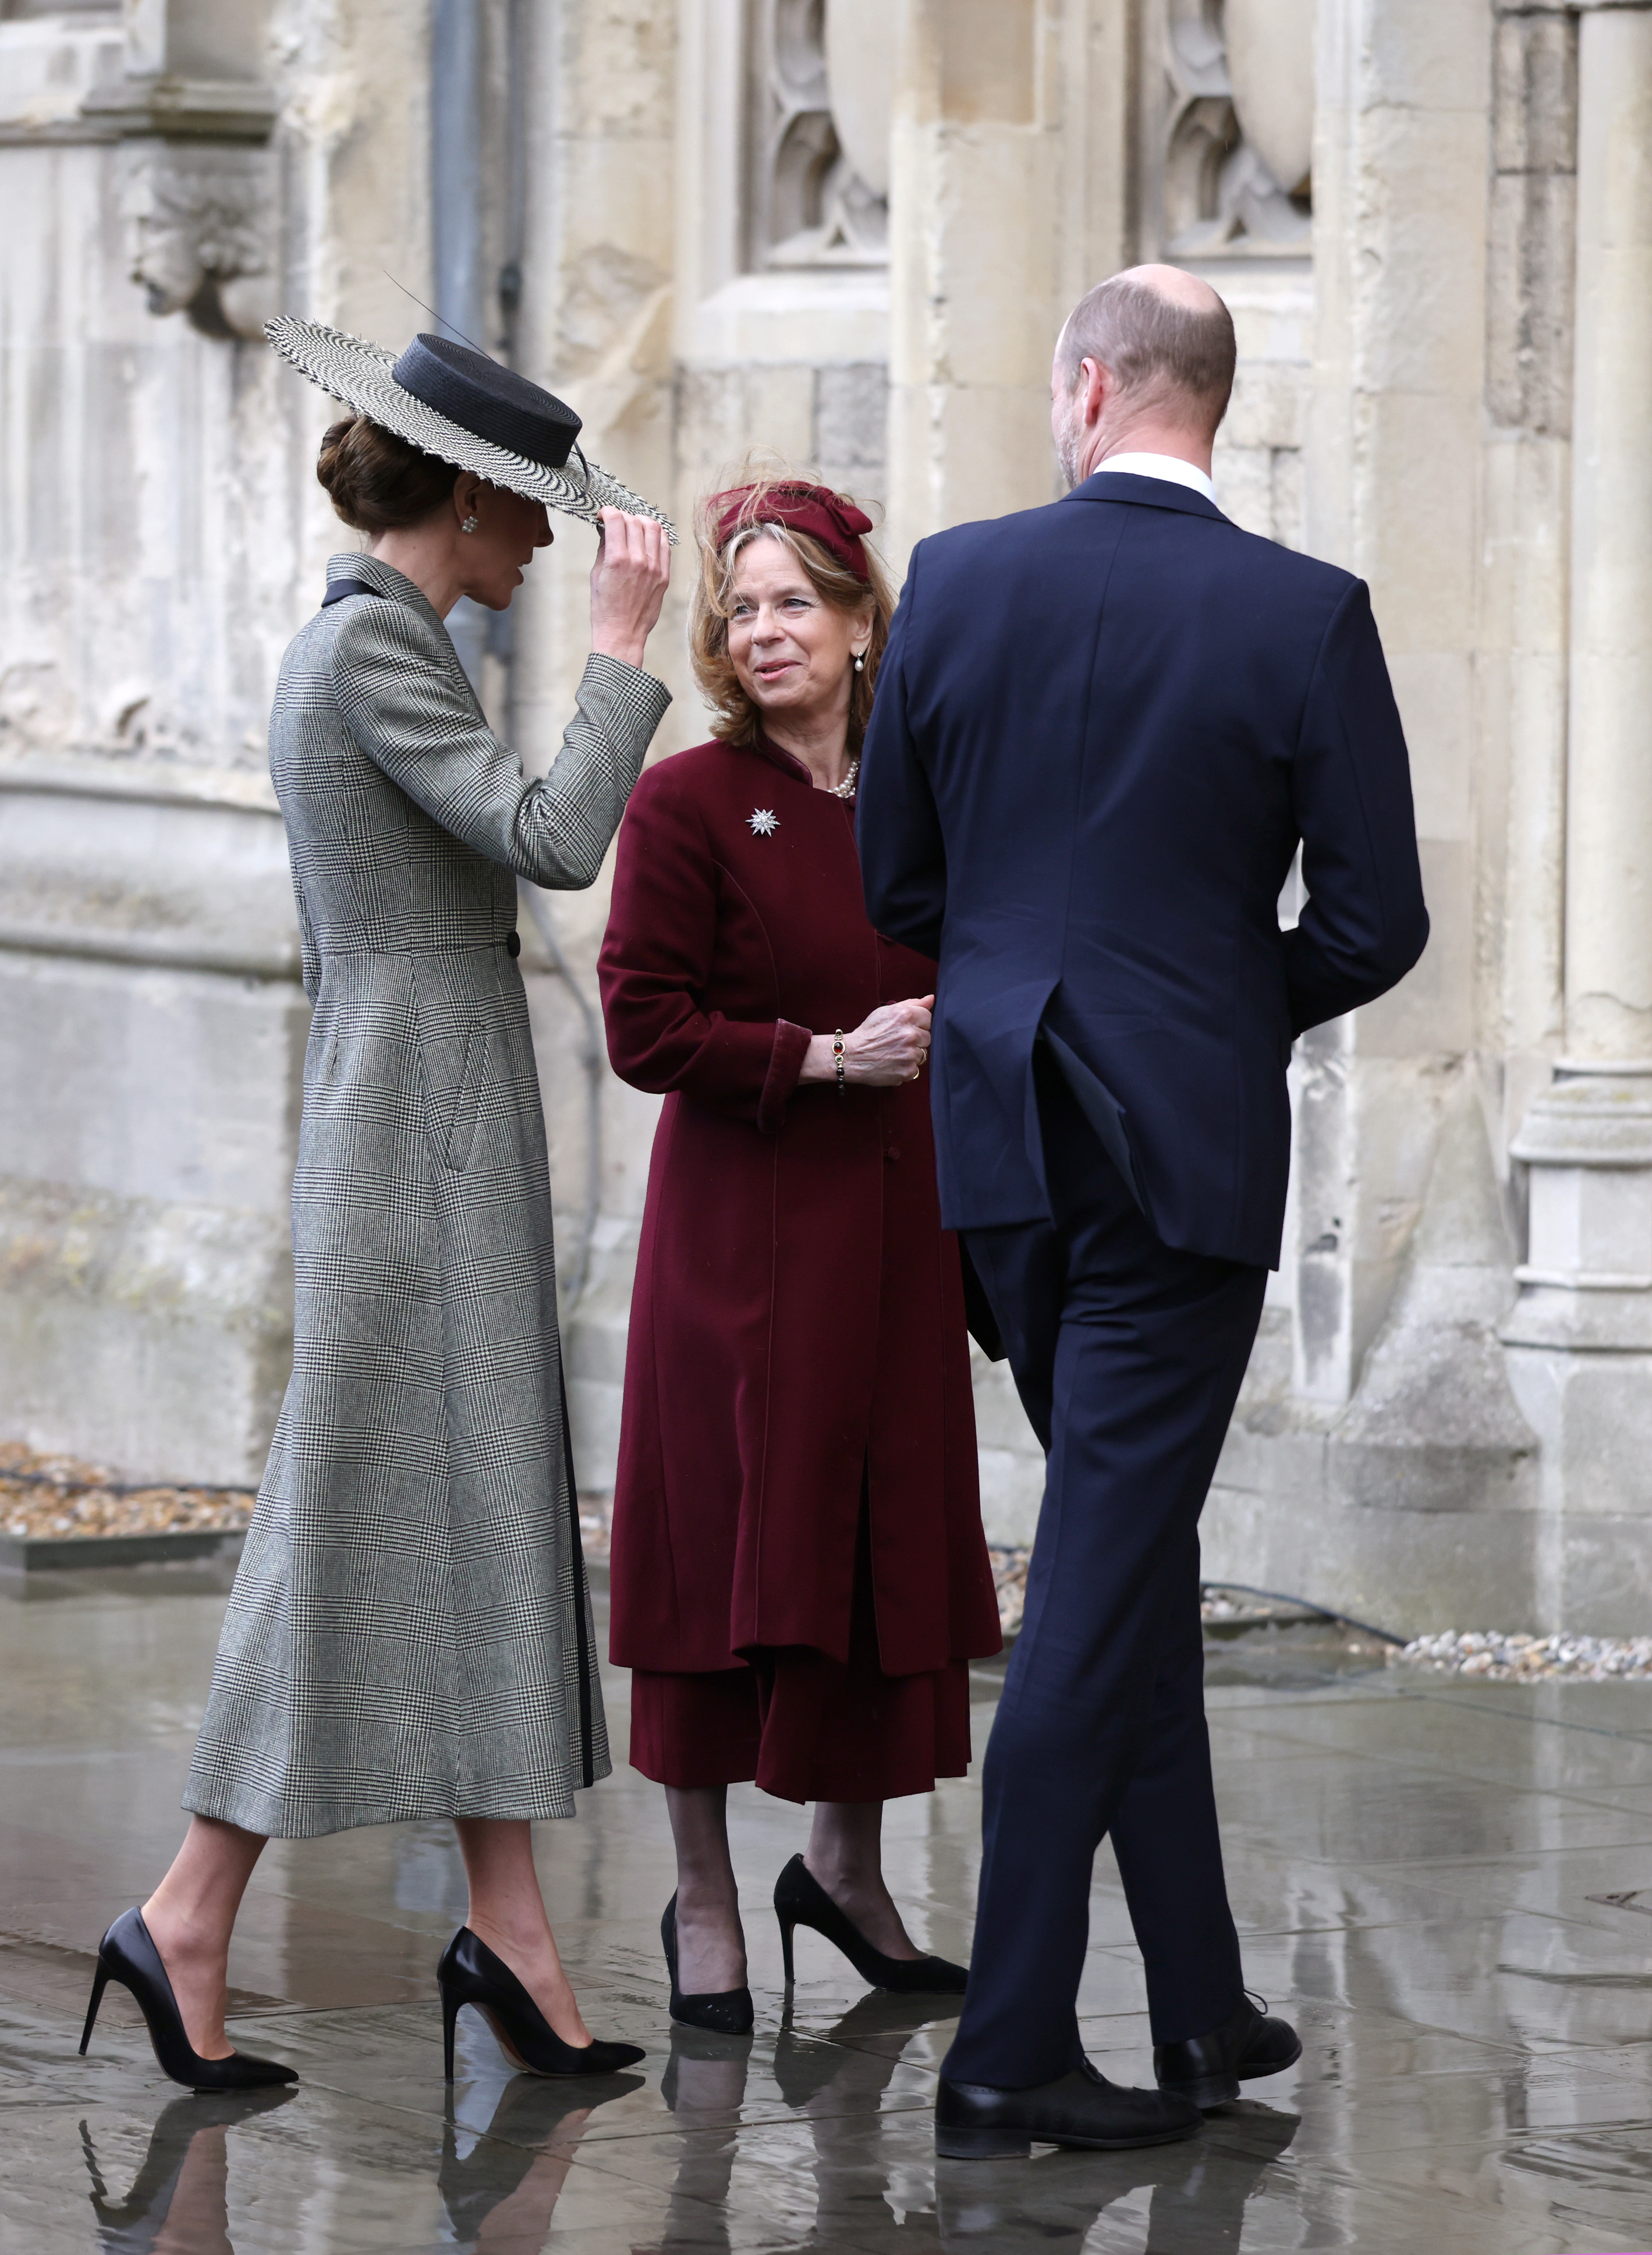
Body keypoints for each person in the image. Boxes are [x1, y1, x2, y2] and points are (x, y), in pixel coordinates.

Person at [858, 265, 1429, 2157]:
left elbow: (901, 874)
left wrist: (1041, 979)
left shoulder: (955, 578)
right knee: (1102, 1571)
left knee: (1129, 1544)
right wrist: (1203, 997)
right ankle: (1011, 2041)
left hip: (1006, 1139)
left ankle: (1199, 2002)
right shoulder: (1304, 612)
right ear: (1214, 400)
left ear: (1088, 386)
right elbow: (1375, 923)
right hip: (1178, 1148)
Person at [79, 320, 674, 2092]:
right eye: (535, 516)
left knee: (482, 1505)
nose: (555, 550)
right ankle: (188, 1909)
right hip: (414, 1128)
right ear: (473, 501)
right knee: (345, 1514)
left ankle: (515, 1933)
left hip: (430, 1111)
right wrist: (628, 659)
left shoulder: (387, 641)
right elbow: (559, 836)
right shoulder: (370, 657)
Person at [597, 472, 1002, 2033]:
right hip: (742, 1249)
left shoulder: (919, 793)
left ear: (856, 623)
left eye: (793, 603)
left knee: (880, 1549)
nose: (765, 630)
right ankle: (703, 1889)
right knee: (721, 1560)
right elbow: (644, 1021)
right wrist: (824, 1058)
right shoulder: (687, 802)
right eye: (742, 607)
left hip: (898, 1235)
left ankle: (847, 1873)